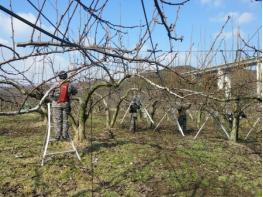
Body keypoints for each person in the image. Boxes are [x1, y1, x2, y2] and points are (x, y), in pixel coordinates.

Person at [50, 71, 77, 140]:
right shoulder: (70, 84)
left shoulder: (55, 84)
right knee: (65, 120)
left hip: (56, 105)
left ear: (59, 77)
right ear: (66, 76)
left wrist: (54, 99)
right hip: (66, 104)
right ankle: (65, 135)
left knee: (57, 120)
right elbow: (75, 92)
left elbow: (50, 94)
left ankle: (58, 135)